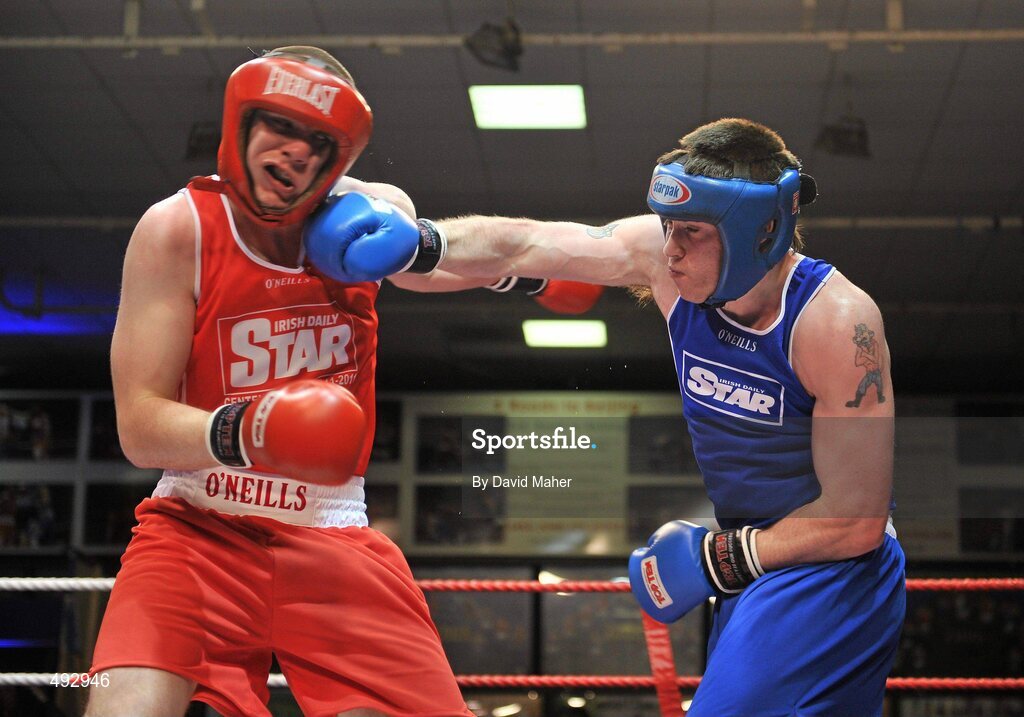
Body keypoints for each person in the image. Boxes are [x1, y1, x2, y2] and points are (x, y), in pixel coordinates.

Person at [326, 117, 906, 716]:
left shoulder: (835, 322)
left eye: (691, 231)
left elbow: (855, 522)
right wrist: (424, 243)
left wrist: (717, 558)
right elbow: (525, 242)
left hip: (832, 571)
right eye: (667, 226)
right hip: (755, 568)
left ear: (758, 230)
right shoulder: (666, 262)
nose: (670, 247)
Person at [86, 46, 492, 717]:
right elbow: (138, 426)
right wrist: (254, 429)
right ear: (242, 121)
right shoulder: (177, 229)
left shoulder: (366, 217)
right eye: (281, 125)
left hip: (333, 533)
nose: (297, 152)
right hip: (197, 525)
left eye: (320, 139)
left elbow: (396, 208)